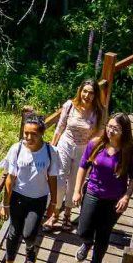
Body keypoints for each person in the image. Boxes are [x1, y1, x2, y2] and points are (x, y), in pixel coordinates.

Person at [73, 112, 133, 263]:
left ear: (124, 131)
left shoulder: (130, 151)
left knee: (103, 234)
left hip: (114, 199)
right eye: (109, 126)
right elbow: (82, 166)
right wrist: (77, 190)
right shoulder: (96, 144)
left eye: (115, 128)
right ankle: (87, 243)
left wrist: (126, 196)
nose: (111, 131)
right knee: (83, 230)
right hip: (93, 192)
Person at [0, 111, 59, 263]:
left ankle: (30, 247)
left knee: (29, 234)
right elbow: (10, 179)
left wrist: (53, 202)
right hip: (18, 197)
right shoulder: (16, 149)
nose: (28, 137)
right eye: (26, 133)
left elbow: (52, 178)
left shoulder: (50, 152)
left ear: (41, 134)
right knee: (14, 232)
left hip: (38, 199)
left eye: (33, 134)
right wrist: (5, 204)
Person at [46, 79, 106, 231]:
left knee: (75, 183)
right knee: (59, 181)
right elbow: (59, 127)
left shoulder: (99, 111)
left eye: (91, 93)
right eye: (85, 91)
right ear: (80, 91)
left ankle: (67, 215)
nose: (87, 95)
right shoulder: (70, 105)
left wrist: (95, 155)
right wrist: (52, 147)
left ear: (95, 95)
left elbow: (99, 135)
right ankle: (54, 213)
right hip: (65, 144)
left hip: (84, 148)